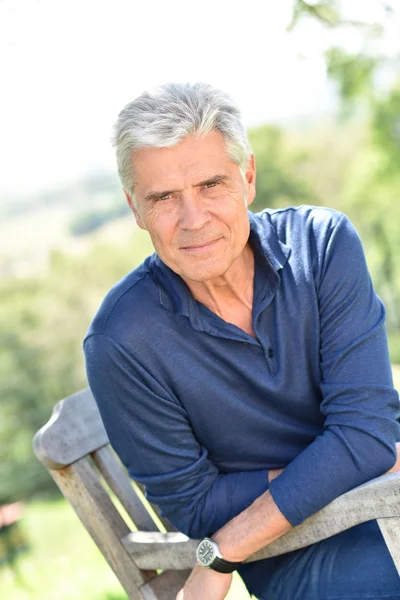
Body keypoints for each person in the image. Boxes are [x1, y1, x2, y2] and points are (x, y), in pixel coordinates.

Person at [84, 82, 400, 600]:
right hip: (293, 551)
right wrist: (357, 457)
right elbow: (195, 508)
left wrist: (224, 547)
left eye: (211, 185)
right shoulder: (122, 341)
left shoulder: (322, 247)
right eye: (163, 197)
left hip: (377, 494)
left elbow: (366, 436)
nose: (193, 219)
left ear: (247, 177)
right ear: (135, 209)